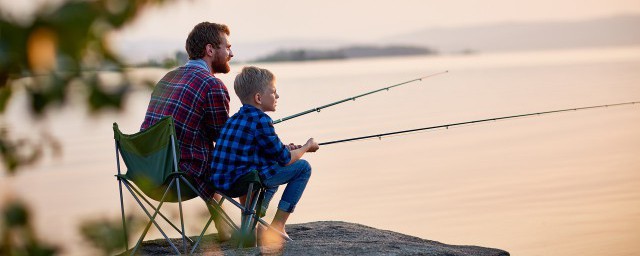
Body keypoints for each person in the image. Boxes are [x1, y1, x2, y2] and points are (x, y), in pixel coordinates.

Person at [140, 22, 234, 240]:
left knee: (206, 156)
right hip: (178, 178)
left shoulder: (167, 78)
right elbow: (224, 141)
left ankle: (224, 229)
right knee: (237, 159)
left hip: (147, 172)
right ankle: (250, 231)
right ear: (210, 50)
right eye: (227, 47)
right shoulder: (212, 85)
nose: (231, 53)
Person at [210, 66, 319, 243]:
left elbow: (257, 148)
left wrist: (286, 148)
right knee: (303, 168)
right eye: (274, 92)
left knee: (271, 165)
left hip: (221, 183)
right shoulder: (262, 120)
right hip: (244, 182)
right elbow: (284, 159)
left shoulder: (233, 119)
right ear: (259, 98)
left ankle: (254, 223)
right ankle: (277, 225)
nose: (277, 97)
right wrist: (306, 147)